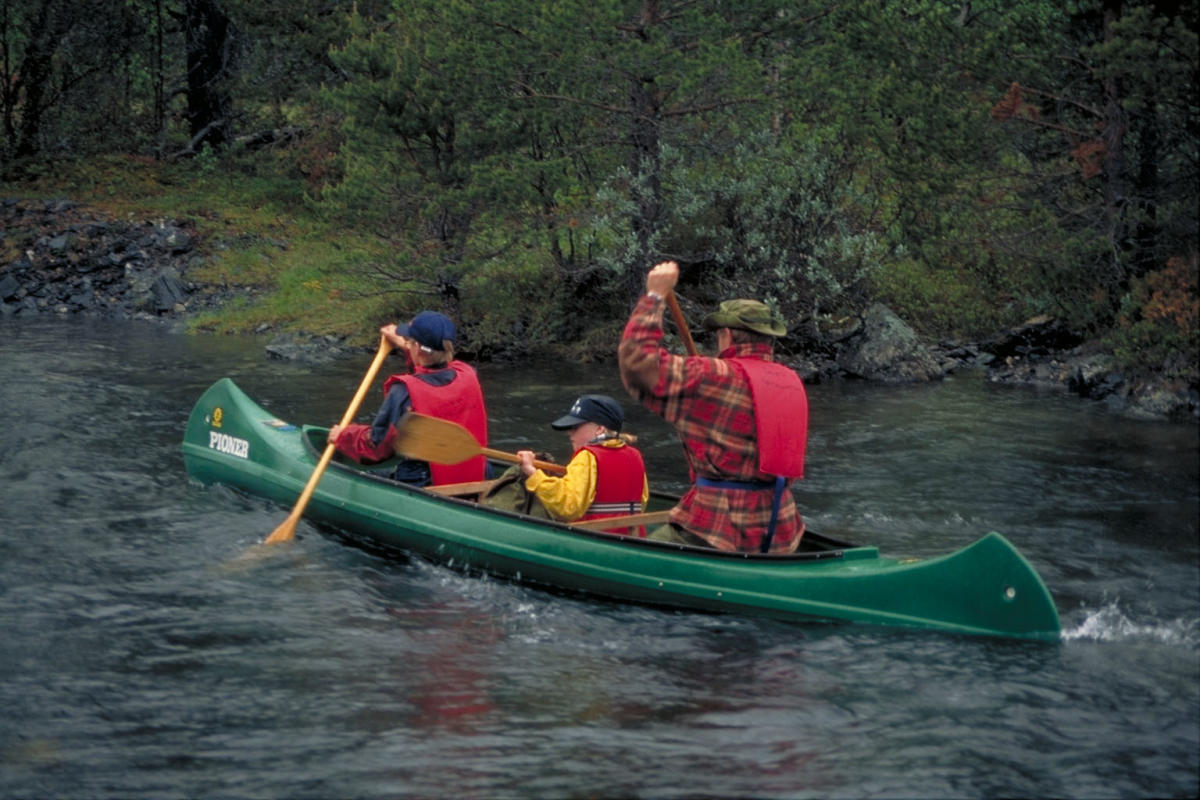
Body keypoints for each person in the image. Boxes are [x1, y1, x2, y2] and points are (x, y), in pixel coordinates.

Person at [617, 261, 808, 553]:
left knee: (636, 553)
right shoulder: (791, 381)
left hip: (719, 526)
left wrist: (654, 297)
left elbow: (637, 363)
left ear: (727, 336)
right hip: (780, 526)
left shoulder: (712, 376)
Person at [328, 310, 488, 486]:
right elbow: (433, 366)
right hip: (474, 474)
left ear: (417, 348)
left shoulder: (403, 391)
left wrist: (344, 436)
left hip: (423, 480)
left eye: (411, 342)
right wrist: (406, 345)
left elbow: (376, 446)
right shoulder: (468, 374)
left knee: (374, 472)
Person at [514, 394, 649, 533]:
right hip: (633, 537)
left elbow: (568, 506)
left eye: (576, 427)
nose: (569, 432)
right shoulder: (635, 455)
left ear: (599, 429)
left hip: (594, 538)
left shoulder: (588, 456)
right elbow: (642, 502)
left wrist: (532, 472)